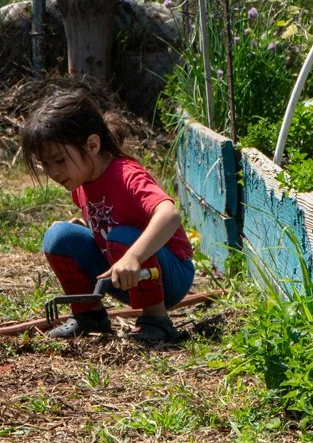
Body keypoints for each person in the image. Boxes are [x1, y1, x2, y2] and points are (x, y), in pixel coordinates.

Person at [21, 87, 194, 345]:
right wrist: (82, 230)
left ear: (92, 145)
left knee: (121, 237)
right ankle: (89, 316)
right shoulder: (81, 183)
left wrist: (134, 256)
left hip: (168, 275)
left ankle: (157, 320)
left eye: (59, 160)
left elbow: (169, 214)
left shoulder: (126, 175)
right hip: (122, 274)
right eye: (46, 165)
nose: (53, 173)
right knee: (59, 236)